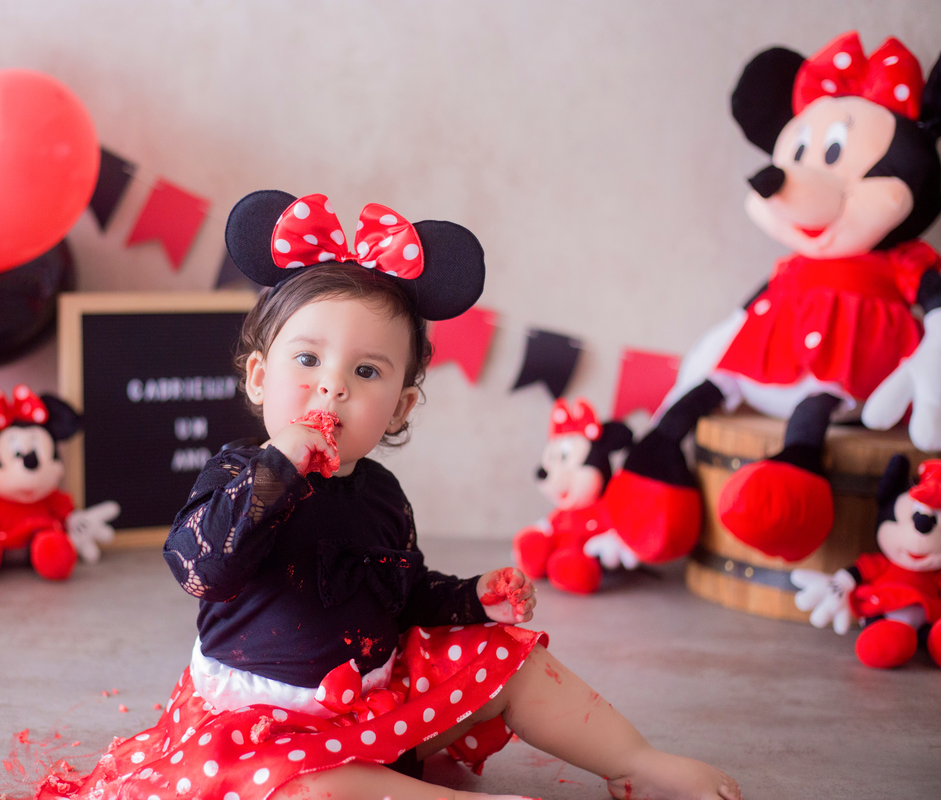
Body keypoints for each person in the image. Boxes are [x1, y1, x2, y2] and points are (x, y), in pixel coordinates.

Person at [36, 192, 741, 800]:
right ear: (258, 378)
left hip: (379, 701)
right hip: (264, 729)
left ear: (400, 408)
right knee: (304, 790)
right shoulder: (235, 474)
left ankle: (637, 763)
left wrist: (471, 599)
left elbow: (399, 595)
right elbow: (200, 568)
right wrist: (276, 470)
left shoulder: (380, 494)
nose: (332, 385)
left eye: (365, 370)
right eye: (307, 359)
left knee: (514, 659)